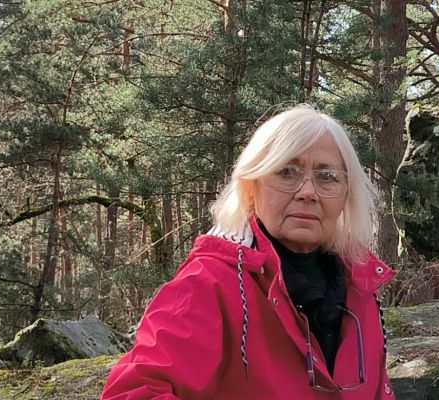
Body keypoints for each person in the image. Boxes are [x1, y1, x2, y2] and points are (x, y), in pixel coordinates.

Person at [101, 105, 397, 399]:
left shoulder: (360, 290)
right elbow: (133, 392)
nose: (308, 191)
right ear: (251, 186)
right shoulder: (209, 284)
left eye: (327, 176)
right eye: (287, 172)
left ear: (347, 194)